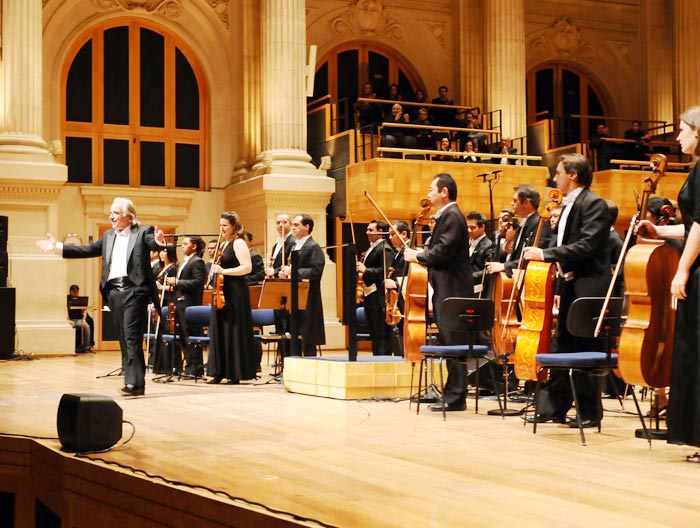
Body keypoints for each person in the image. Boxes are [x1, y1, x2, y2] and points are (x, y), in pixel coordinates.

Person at [36, 197, 166, 396]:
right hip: (114, 292)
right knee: (123, 337)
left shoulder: (142, 232)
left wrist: (158, 241)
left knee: (131, 337)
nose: (111, 216)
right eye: (111, 213)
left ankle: (135, 384)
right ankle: (132, 378)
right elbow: (88, 250)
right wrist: (57, 246)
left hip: (135, 291)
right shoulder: (108, 236)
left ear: (128, 216)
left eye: (115, 213)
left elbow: (153, 243)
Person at [522, 153, 611, 428]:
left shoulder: (595, 204)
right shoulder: (568, 205)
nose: (554, 178)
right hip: (571, 283)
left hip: (589, 287)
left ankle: (589, 412)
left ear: (573, 175)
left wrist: (545, 253)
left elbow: (587, 245)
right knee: (563, 345)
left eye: (558, 172)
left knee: (585, 347)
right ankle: (555, 408)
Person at [635, 106, 700, 460]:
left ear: (698, 132)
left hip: (699, 271)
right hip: (697, 264)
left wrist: (683, 269)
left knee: (696, 352)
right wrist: (658, 230)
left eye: (682, 130)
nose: (677, 137)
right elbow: (692, 226)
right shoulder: (696, 170)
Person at [404, 173, 474, 412]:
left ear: (444, 191)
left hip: (453, 289)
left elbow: (443, 250)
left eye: (431, 188)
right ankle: (451, 392)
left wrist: (418, 255)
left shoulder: (452, 215)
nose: (428, 192)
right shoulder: (447, 215)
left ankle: (456, 396)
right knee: (448, 341)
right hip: (447, 287)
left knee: (454, 342)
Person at [207, 211, 257, 384]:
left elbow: (247, 268)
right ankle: (219, 372)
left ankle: (234, 372)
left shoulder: (239, 243)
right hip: (222, 290)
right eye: (220, 225)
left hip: (235, 292)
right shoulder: (224, 244)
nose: (222, 229)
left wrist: (224, 271)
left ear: (234, 226)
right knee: (220, 329)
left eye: (225, 226)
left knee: (232, 331)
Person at [279, 214, 326, 357]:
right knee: (293, 333)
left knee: (307, 334)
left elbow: (316, 270)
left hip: (308, 297)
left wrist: (293, 272)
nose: (293, 228)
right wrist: (283, 273)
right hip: (294, 296)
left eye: (296, 225)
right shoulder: (294, 245)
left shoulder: (313, 246)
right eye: (293, 225)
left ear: (307, 227)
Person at [485, 184, 551, 280]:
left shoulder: (540, 223)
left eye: (515, 200)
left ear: (527, 202)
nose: (512, 203)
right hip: (516, 277)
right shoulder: (523, 222)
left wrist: (504, 266)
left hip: (527, 280)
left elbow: (533, 257)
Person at [165, 236, 207, 378]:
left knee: (191, 335)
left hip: (190, 304)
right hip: (180, 302)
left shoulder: (197, 261)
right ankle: (189, 367)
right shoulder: (186, 261)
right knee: (183, 336)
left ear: (194, 246)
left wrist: (177, 282)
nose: (182, 246)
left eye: (185, 244)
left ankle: (196, 368)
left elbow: (198, 282)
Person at [356, 219, 396, 355]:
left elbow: (385, 272)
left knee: (381, 333)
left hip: (379, 296)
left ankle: (383, 359)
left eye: (370, 230)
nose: (367, 233)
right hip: (370, 295)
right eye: (367, 229)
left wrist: (365, 270)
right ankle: (376, 358)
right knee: (374, 332)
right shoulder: (372, 248)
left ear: (381, 231)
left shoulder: (385, 248)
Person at [384, 220, 410, 356]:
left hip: (406, 299)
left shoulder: (410, 252)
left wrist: (395, 284)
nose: (390, 237)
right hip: (398, 299)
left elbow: (413, 277)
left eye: (393, 234)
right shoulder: (399, 253)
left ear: (404, 234)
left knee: (403, 331)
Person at [152, 244, 179, 375]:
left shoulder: (174, 268)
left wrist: (161, 288)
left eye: (164, 252)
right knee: (160, 333)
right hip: (161, 302)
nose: (162, 254)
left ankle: (170, 365)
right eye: (161, 252)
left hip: (169, 302)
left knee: (167, 331)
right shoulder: (162, 268)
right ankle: (160, 365)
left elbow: (175, 288)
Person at [466, 211, 494, 296]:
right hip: (465, 287)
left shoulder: (490, 245)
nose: (469, 230)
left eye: (472, 227)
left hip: (479, 290)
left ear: (482, 227)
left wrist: (468, 277)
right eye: (467, 227)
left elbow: (488, 270)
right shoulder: (466, 243)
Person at [67, 284, 94, 353]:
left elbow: (84, 311)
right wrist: (68, 320)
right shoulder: (67, 299)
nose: (76, 293)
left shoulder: (80, 300)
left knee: (86, 325)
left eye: (77, 291)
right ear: (71, 291)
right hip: (71, 319)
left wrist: (84, 320)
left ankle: (86, 346)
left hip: (79, 319)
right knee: (73, 326)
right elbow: (66, 310)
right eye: (74, 292)